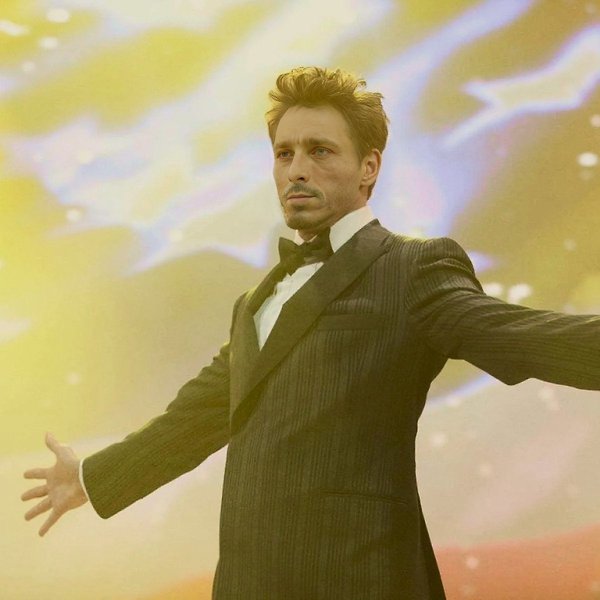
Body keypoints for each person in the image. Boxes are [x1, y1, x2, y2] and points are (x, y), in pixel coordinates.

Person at [22, 67, 600, 600]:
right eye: (285, 153)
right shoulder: (255, 302)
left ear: (369, 167)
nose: (297, 169)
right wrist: (93, 478)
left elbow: (516, 335)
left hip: (358, 577)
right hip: (251, 581)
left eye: (319, 150)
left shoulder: (411, 267)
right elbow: (194, 418)